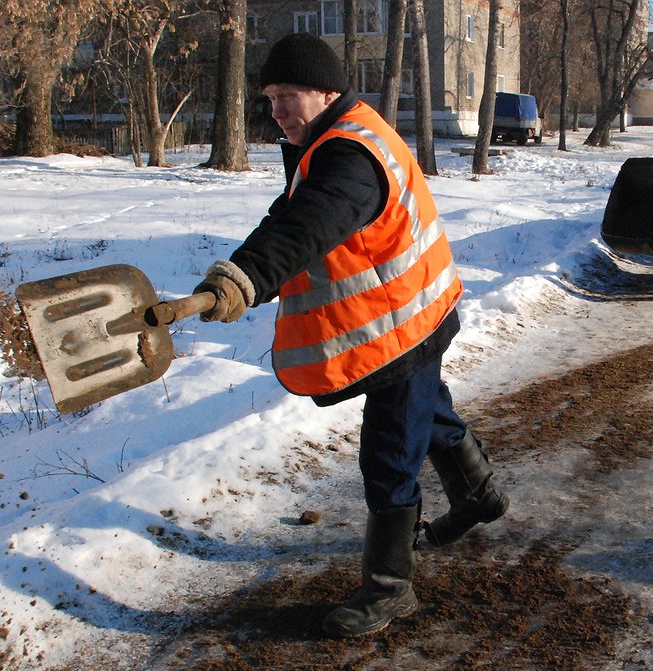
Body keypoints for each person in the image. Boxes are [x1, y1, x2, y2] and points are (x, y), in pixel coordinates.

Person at [192, 33, 509, 638]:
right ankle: (477, 495)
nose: (276, 110)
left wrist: (249, 276)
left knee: (390, 451)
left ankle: (390, 588)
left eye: (288, 95)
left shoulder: (349, 155)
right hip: (413, 310)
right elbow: (292, 214)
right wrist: (240, 273)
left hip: (402, 325)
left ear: (325, 90)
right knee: (426, 414)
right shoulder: (339, 135)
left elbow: (311, 224)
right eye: (270, 97)